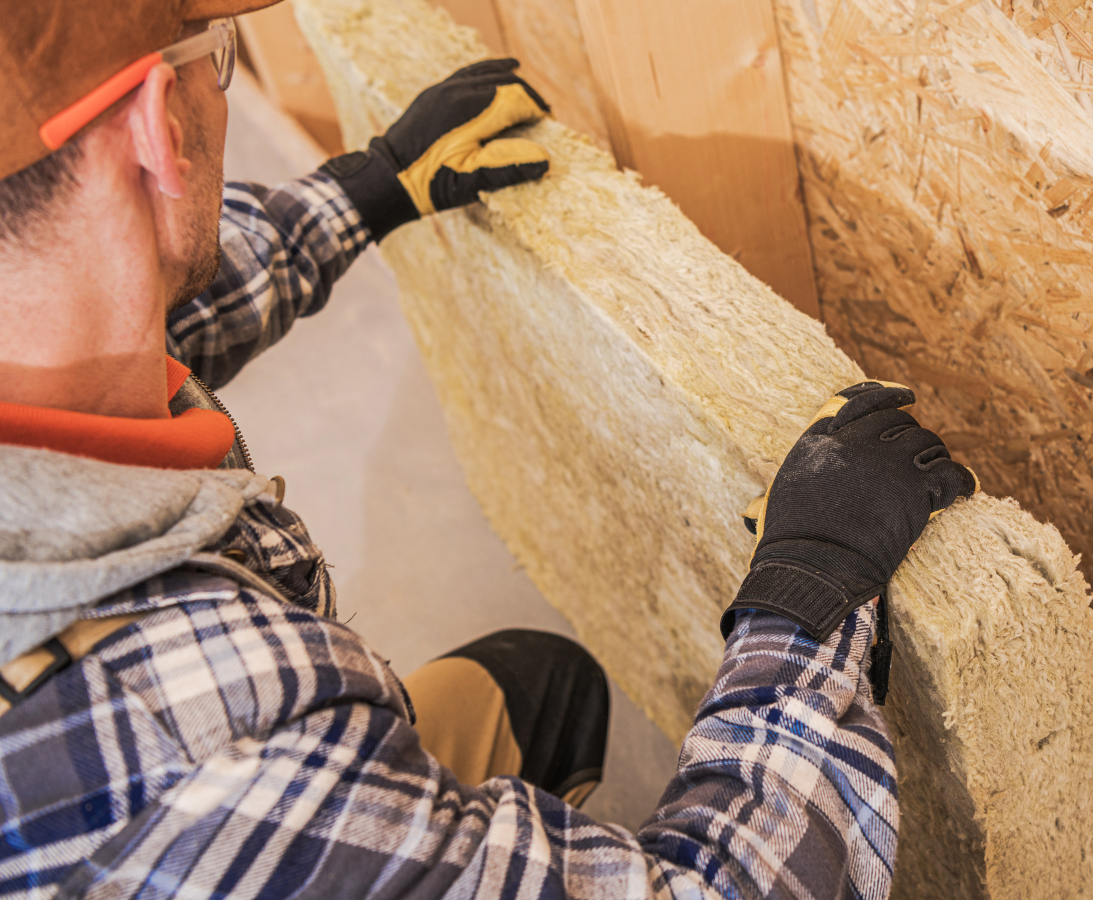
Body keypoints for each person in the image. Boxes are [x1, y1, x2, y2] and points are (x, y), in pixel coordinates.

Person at [0, 0, 978, 897]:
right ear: (157, 126)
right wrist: (808, 602)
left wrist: (364, 191)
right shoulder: (200, 739)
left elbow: (143, 299)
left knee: (537, 691)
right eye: (205, 49)